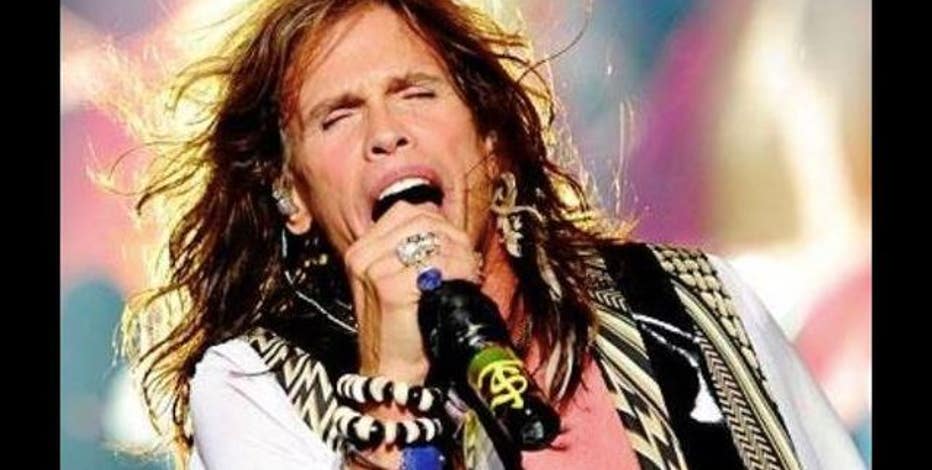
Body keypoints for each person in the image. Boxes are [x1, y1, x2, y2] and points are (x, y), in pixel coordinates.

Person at [118, 1, 864, 469]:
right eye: (337, 116)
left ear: (492, 140)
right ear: (293, 197)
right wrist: (392, 380)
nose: (386, 133)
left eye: (416, 93)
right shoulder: (258, 385)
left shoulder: (694, 303)